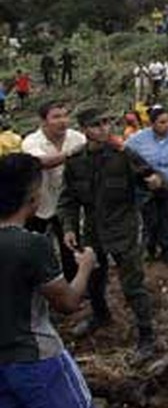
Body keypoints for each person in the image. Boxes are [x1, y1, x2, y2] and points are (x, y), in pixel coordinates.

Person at [0, 153, 103, 408]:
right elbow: (67, 302)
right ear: (31, 197)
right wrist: (86, 267)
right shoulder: (29, 245)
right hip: (37, 356)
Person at [59, 108, 159, 362]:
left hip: (123, 228)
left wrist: (149, 180)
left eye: (106, 122)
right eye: (97, 125)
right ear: (85, 130)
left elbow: (154, 180)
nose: (104, 128)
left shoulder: (122, 155)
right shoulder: (76, 160)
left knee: (132, 283)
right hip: (92, 230)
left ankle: (147, 335)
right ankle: (100, 315)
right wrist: (69, 227)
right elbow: (68, 199)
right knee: (94, 277)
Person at [22, 102, 87, 282]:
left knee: (70, 245)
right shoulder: (32, 142)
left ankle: (73, 286)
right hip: (38, 204)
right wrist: (71, 154)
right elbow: (41, 162)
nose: (63, 121)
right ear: (43, 121)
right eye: (56, 117)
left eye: (65, 116)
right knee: (35, 247)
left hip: (67, 204)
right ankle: (39, 286)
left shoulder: (78, 138)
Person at [126, 106, 168, 264]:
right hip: (147, 186)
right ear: (152, 124)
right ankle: (150, 250)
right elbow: (125, 155)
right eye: (162, 122)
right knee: (150, 219)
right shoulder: (138, 139)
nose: (167, 125)